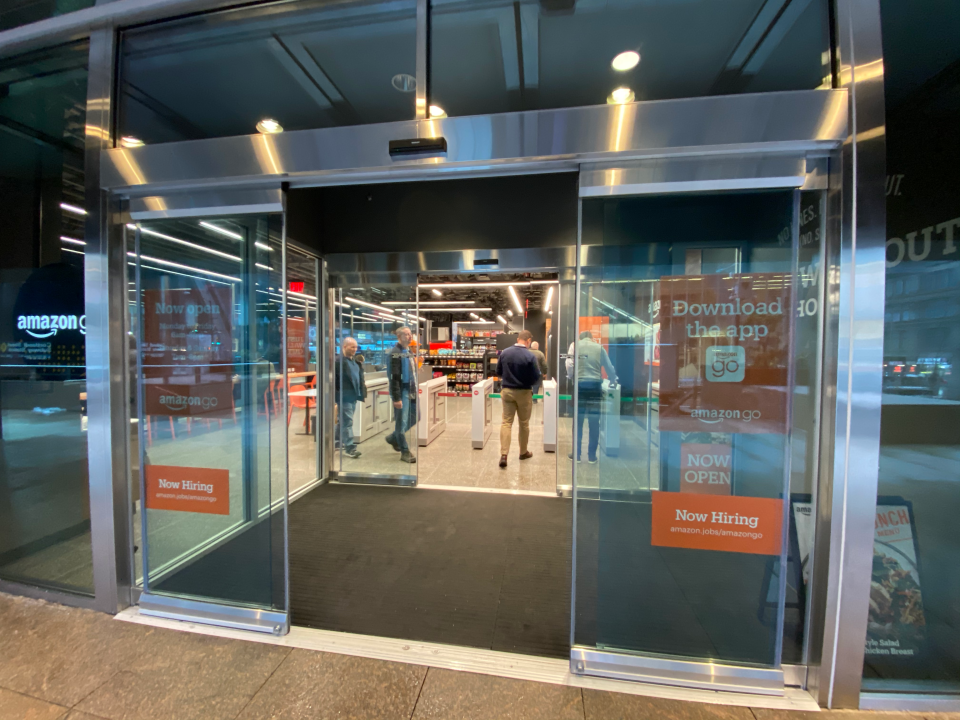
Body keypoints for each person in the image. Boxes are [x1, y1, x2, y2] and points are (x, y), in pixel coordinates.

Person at [496, 329, 541, 468]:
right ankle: (523, 452)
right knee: (524, 423)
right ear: (528, 341)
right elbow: (536, 377)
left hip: (507, 391)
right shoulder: (530, 356)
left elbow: (498, 372)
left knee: (506, 422)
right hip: (524, 393)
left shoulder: (505, 353)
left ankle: (504, 455)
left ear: (518, 339)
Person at [572, 330, 618, 464]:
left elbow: (569, 366)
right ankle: (592, 455)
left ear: (580, 338)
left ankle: (577, 454)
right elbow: (609, 367)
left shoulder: (575, 346)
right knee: (594, 421)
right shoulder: (599, 348)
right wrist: (613, 380)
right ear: (591, 338)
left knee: (578, 421)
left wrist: (572, 377)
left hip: (579, 386)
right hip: (594, 386)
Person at [386, 326, 417, 464]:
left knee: (415, 416)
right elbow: (394, 377)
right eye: (406, 334)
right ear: (399, 336)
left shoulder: (408, 351)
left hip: (411, 389)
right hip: (402, 390)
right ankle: (404, 451)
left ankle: (394, 437)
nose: (409, 336)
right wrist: (396, 397)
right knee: (401, 421)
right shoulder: (395, 353)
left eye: (410, 334)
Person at [334, 337, 365, 458]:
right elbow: (334, 381)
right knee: (348, 422)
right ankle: (350, 448)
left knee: (343, 420)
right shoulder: (338, 362)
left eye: (356, 347)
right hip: (344, 396)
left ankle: (337, 442)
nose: (354, 349)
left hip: (354, 396)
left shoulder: (355, 362)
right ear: (344, 346)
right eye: (352, 347)